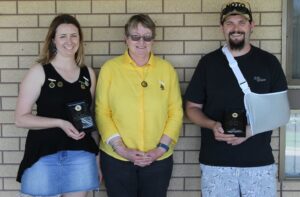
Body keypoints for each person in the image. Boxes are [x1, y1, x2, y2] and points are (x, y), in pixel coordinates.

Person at [184, 1, 288, 197]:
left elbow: (280, 112)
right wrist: (212, 124)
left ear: (251, 25)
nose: (236, 28)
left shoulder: (268, 62)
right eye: (229, 23)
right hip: (216, 163)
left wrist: (251, 131)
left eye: (241, 22)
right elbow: (191, 107)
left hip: (258, 163)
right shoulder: (208, 63)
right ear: (222, 27)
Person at [95, 14, 183, 197]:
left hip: (158, 160)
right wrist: (122, 149)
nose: (141, 42)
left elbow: (175, 112)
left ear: (153, 40)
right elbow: (102, 112)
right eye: (135, 36)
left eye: (147, 37)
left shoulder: (166, 69)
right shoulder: (110, 69)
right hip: (117, 158)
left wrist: (160, 149)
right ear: (126, 39)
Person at [15, 14, 101, 197]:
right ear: (53, 40)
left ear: (80, 39)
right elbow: (21, 118)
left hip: (81, 156)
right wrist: (59, 122)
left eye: (74, 35)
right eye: (62, 36)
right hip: (44, 155)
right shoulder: (39, 71)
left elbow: (90, 119)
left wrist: (97, 158)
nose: (69, 41)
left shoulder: (88, 74)